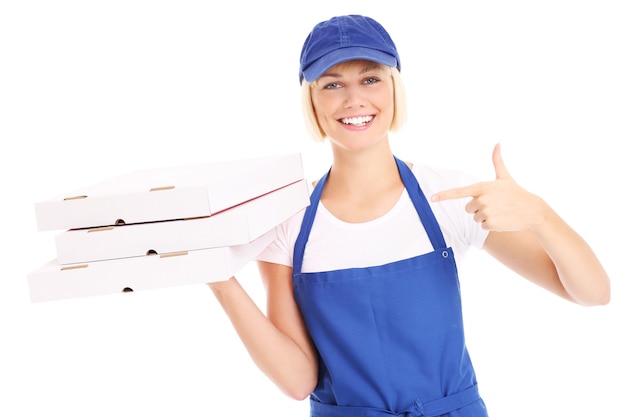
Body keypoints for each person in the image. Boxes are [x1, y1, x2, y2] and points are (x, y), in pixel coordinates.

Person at [208, 14, 610, 417]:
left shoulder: (449, 197)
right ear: (311, 100)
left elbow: (593, 293)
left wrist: (541, 215)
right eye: (332, 84)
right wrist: (219, 277)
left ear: (395, 89)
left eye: (370, 79)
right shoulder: (287, 221)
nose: (354, 100)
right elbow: (297, 382)